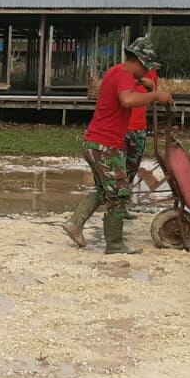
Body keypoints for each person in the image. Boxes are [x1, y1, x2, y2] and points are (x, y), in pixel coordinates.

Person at [65, 36, 172, 253]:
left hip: (94, 143)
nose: (147, 72)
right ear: (140, 61)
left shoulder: (117, 71)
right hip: (106, 146)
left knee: (105, 190)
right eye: (146, 67)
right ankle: (114, 244)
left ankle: (75, 223)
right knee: (120, 193)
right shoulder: (124, 75)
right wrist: (155, 95)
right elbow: (127, 100)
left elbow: (124, 91)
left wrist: (143, 84)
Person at [123, 65, 160, 217]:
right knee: (117, 168)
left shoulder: (152, 76)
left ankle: (123, 204)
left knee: (132, 167)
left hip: (139, 127)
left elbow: (152, 96)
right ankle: (114, 205)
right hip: (122, 127)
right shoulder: (124, 73)